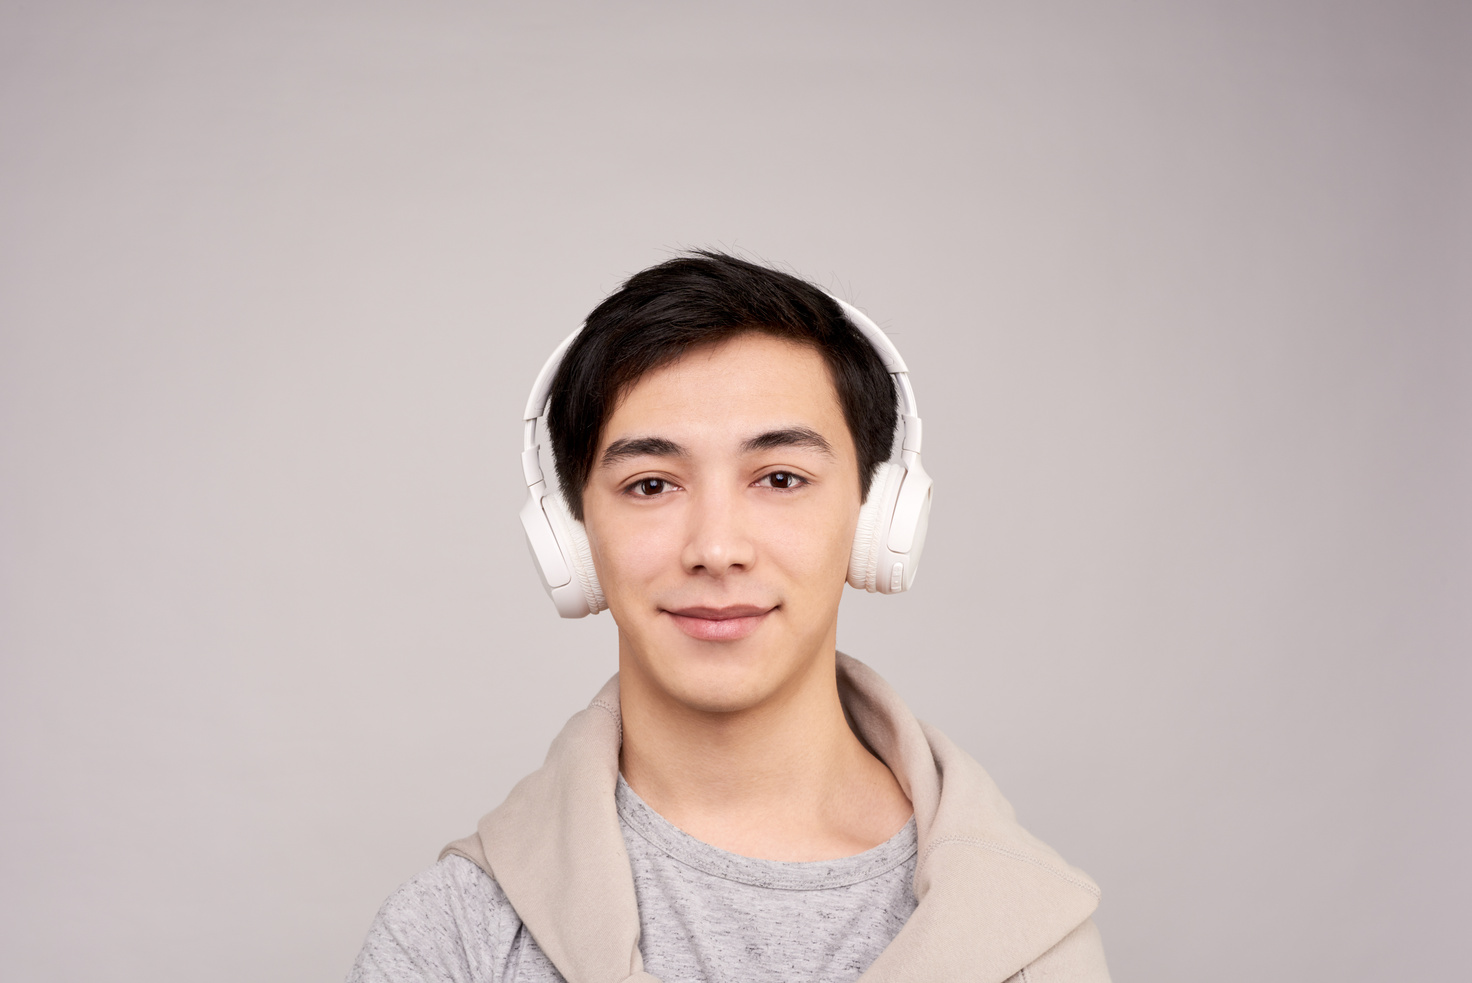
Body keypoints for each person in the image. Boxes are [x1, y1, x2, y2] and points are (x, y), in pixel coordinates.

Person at [347, 252, 1111, 983]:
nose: (716, 549)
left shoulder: (1030, 940)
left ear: (877, 520)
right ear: (573, 540)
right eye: (651, 484)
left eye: (780, 478)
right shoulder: (453, 936)